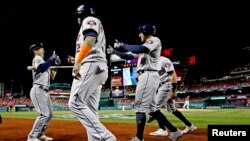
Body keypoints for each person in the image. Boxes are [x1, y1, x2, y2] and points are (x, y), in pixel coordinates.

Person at [109, 23, 181, 141]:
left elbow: (141, 48)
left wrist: (122, 44)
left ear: (146, 32)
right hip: (147, 76)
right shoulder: (144, 46)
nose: (139, 35)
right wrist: (114, 52)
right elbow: (129, 56)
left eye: (140, 32)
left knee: (139, 107)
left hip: (148, 74)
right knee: (152, 110)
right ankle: (174, 131)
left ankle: (139, 137)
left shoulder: (154, 40)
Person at [68, 3, 116, 141]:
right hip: (96, 68)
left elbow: (90, 39)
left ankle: (106, 138)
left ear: (81, 15)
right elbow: (90, 45)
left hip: (92, 66)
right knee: (90, 108)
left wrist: (78, 61)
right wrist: (77, 59)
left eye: (78, 16)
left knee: (75, 102)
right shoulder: (91, 22)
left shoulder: (89, 20)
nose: (77, 19)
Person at [148, 56, 197, 137]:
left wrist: (173, 91)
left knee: (154, 108)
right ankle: (190, 125)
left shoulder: (164, 60)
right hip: (161, 86)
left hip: (166, 86)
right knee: (173, 110)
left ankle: (163, 130)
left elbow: (173, 74)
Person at [27, 42, 61, 141]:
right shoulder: (37, 58)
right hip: (38, 89)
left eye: (42, 48)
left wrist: (56, 63)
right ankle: (32, 136)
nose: (43, 50)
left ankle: (40, 134)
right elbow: (42, 68)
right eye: (41, 48)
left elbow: (53, 76)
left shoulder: (44, 62)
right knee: (43, 114)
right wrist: (51, 59)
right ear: (35, 51)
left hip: (45, 91)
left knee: (50, 115)